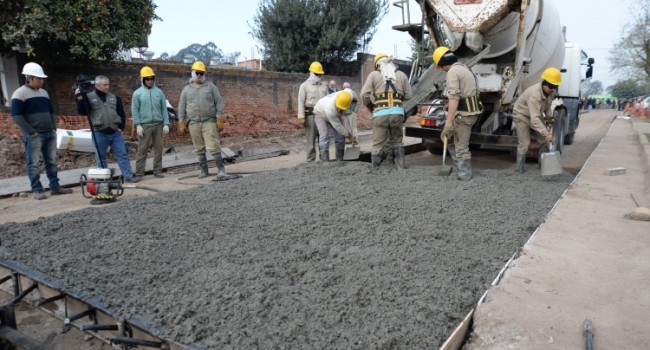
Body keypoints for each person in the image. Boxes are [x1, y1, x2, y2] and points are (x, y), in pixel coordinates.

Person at [11, 62, 74, 200]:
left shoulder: (44, 93)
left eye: (42, 78)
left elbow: (50, 112)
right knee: (33, 163)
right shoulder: (19, 94)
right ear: (30, 78)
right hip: (34, 135)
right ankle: (37, 189)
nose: (42, 81)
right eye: (39, 78)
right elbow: (17, 116)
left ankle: (55, 187)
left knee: (51, 161)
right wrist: (31, 132)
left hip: (49, 132)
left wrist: (53, 126)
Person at [76, 75, 141, 183]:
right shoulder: (88, 97)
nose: (107, 87)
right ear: (97, 85)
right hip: (99, 132)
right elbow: (82, 111)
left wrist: (121, 127)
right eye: (104, 85)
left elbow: (121, 113)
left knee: (122, 155)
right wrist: (79, 98)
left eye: (108, 84)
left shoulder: (114, 98)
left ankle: (128, 176)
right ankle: (103, 179)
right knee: (101, 158)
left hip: (115, 132)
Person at [432, 46, 482, 180]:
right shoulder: (465, 68)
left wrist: (448, 122)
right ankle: (460, 168)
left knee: (461, 147)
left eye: (440, 66)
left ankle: (465, 176)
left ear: (443, 63)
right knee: (450, 139)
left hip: (464, 116)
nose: (442, 69)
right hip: (470, 113)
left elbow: (454, 98)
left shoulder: (453, 72)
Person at [360, 53, 413, 170]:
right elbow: (409, 95)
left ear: (377, 64)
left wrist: (371, 107)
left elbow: (364, 95)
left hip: (380, 113)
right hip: (397, 113)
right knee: (397, 141)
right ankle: (400, 167)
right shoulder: (402, 75)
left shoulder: (373, 75)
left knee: (378, 143)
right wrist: (397, 100)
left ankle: (376, 169)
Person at [178, 61, 228, 179]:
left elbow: (219, 102)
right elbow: (181, 106)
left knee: (214, 145)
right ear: (193, 73)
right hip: (193, 122)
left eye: (202, 73)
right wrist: (181, 121)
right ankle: (204, 171)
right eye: (197, 73)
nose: (199, 75)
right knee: (199, 147)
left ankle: (221, 170)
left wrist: (219, 117)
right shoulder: (186, 90)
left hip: (209, 121)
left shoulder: (210, 87)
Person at [512, 67, 560, 174]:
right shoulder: (535, 95)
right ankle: (519, 170)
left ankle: (544, 167)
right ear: (544, 83)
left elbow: (547, 106)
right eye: (551, 86)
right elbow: (534, 120)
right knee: (525, 143)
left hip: (535, 115)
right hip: (522, 115)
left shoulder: (551, 92)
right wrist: (546, 133)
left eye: (555, 86)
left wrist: (549, 117)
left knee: (544, 140)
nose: (553, 89)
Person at [132, 66, 170, 178]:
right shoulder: (137, 93)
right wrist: (138, 125)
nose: (150, 81)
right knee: (142, 150)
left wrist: (166, 123)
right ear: (143, 80)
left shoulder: (159, 92)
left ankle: (157, 170)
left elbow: (164, 108)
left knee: (159, 149)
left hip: (158, 124)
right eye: (147, 79)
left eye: (152, 78)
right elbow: (135, 110)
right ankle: (139, 173)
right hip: (145, 125)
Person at [297, 61, 328, 162]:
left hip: (322, 115)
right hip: (311, 115)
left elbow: (327, 100)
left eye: (320, 74)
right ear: (311, 73)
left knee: (323, 138)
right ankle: (310, 160)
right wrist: (301, 116)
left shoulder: (324, 86)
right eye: (317, 74)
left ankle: (324, 159)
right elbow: (300, 101)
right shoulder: (304, 86)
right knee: (311, 139)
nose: (319, 75)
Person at [313, 90, 354, 161]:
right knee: (324, 136)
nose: (339, 109)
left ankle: (340, 160)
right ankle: (325, 161)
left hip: (332, 113)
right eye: (338, 107)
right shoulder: (330, 109)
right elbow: (337, 126)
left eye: (341, 108)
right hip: (320, 113)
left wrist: (350, 133)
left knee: (340, 137)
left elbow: (346, 120)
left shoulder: (347, 98)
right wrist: (348, 135)